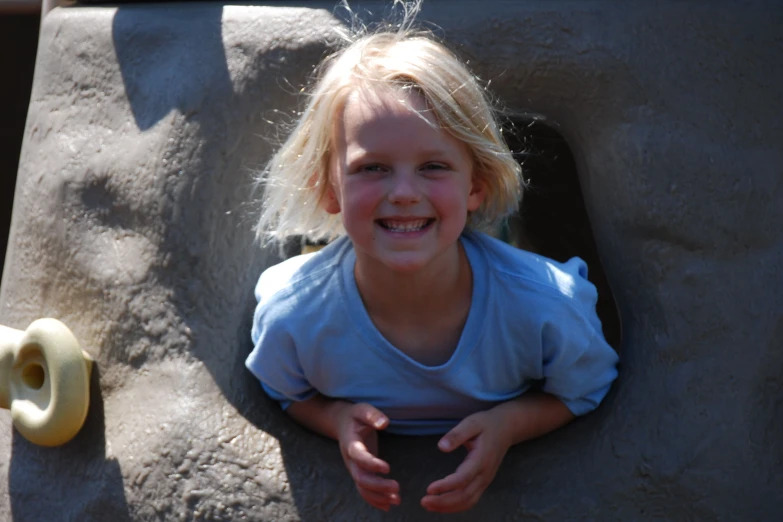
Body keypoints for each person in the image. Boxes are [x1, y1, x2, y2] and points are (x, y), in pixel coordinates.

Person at [246, 3, 618, 513]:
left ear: (477, 185)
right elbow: (283, 390)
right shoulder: (293, 316)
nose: (403, 192)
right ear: (328, 188)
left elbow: (587, 387)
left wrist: (511, 424)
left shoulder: (546, 309)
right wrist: (334, 421)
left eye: (434, 166)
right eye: (372, 168)